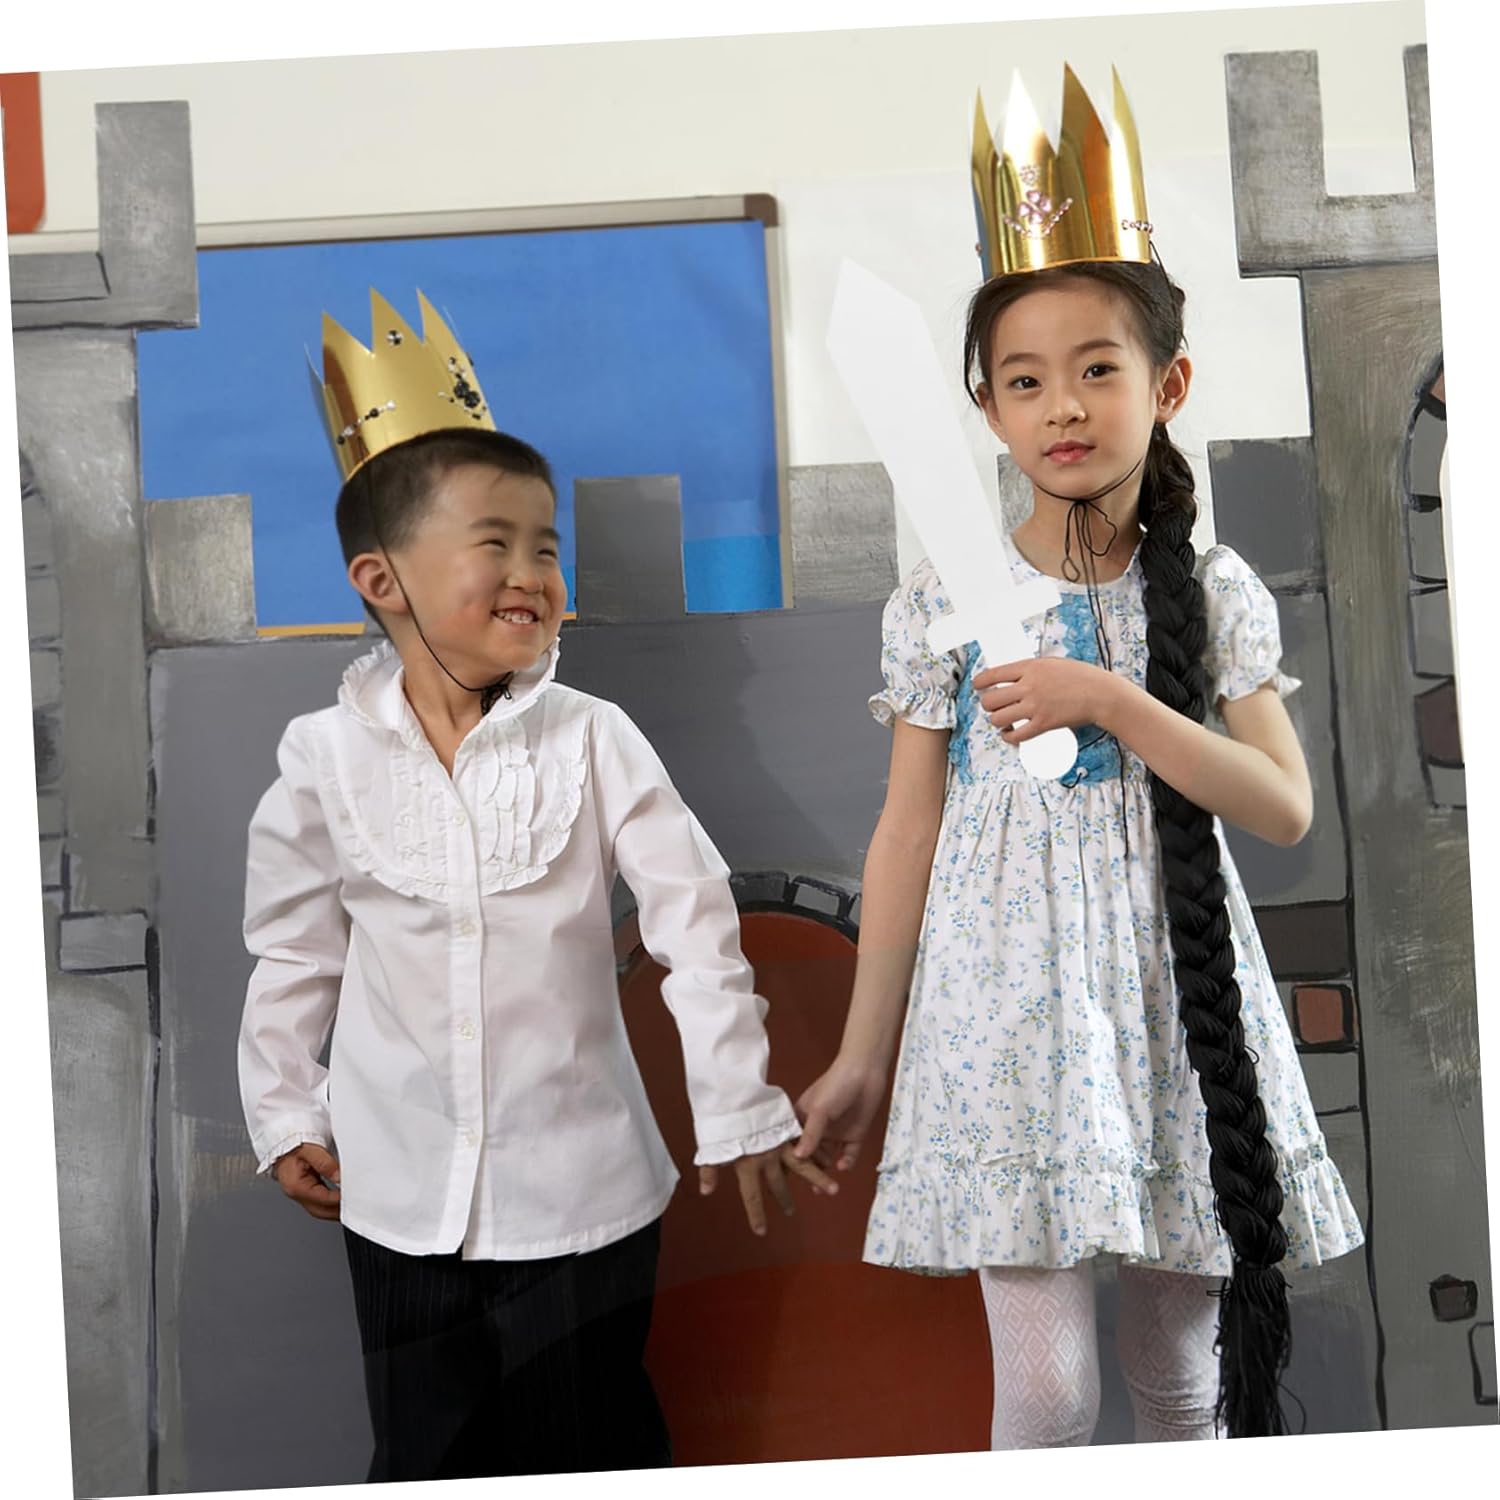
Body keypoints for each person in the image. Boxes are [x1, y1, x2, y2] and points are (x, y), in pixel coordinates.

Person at [795, 66, 1363, 1446]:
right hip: (1003, 1013)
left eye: (1099, 368)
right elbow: (907, 831)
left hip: (1176, 1003)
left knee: (1179, 1385)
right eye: (1026, 379)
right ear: (986, 408)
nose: (1064, 405)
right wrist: (864, 1053)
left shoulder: (1211, 591)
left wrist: (1112, 700)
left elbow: (1283, 806)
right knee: (1047, 1393)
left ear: (1168, 384)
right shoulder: (943, 599)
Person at [238, 290, 834, 1482]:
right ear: (382, 578)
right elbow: (296, 950)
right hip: (397, 1196)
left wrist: (734, 1102)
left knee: (587, 1445)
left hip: (581, 1197)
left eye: (546, 545)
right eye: (494, 544)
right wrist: (285, 1110)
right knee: (425, 1454)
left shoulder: (593, 737)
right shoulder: (322, 756)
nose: (533, 571)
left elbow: (694, 922)